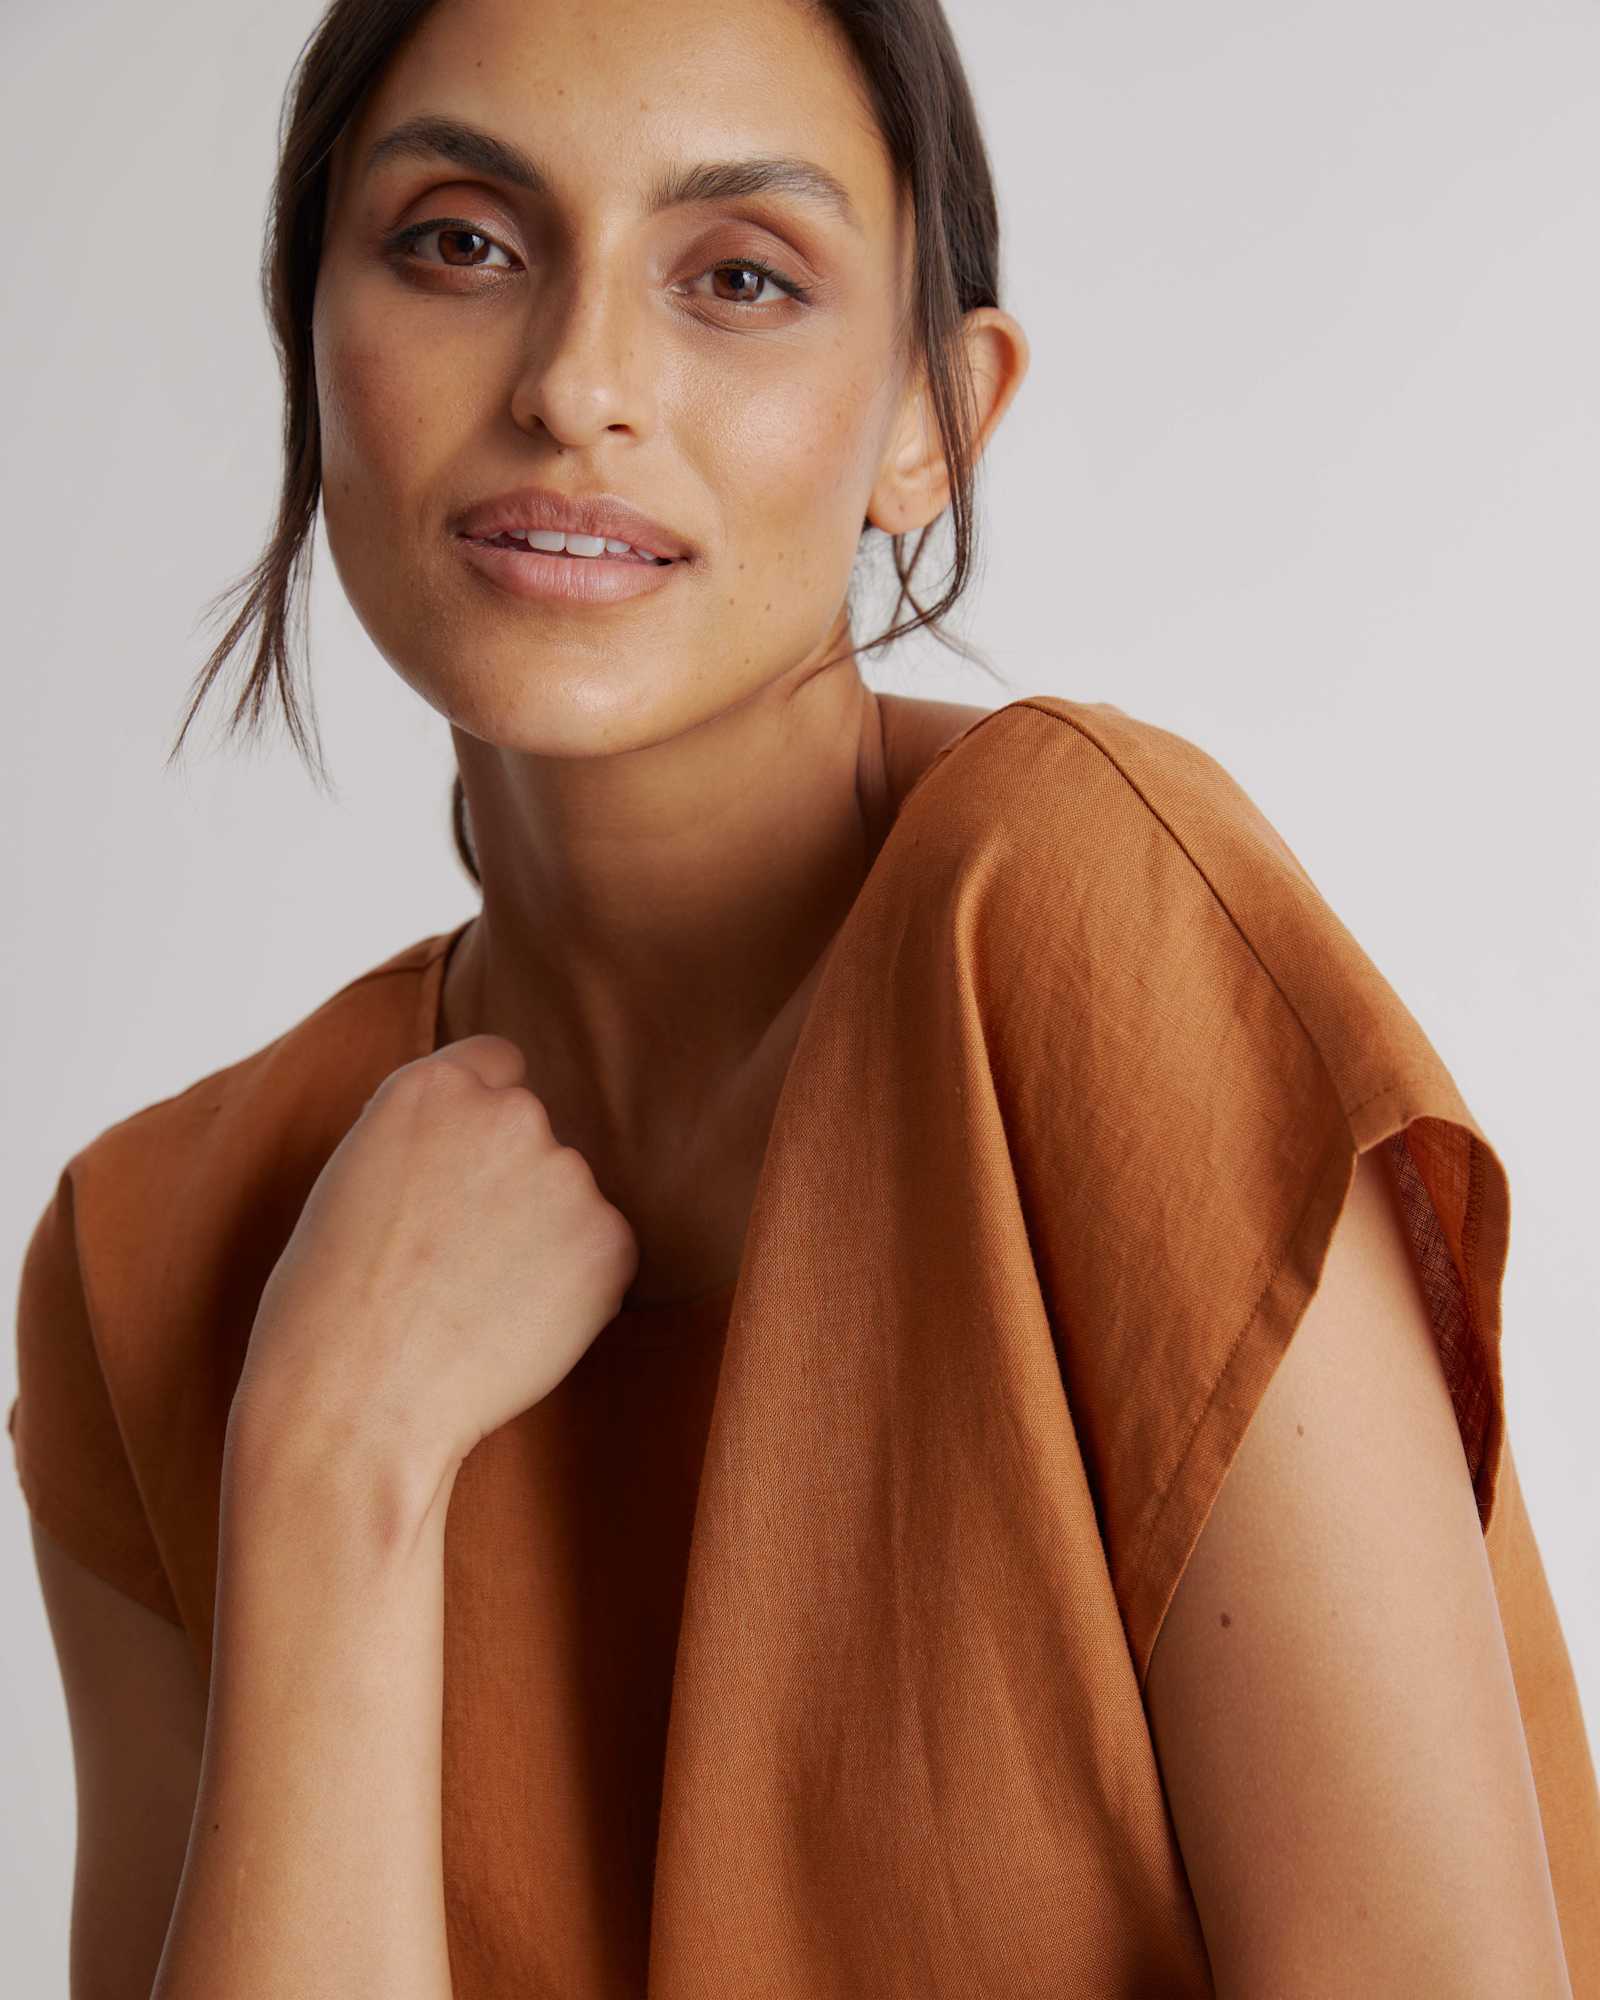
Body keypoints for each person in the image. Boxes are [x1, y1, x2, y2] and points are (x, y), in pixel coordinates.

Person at [10, 0, 1597, 1995]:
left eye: (739, 277)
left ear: (934, 416)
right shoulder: (151, 1256)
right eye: (459, 242)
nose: (576, 384)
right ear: (308, 329)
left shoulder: (1073, 919)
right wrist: (332, 1473)